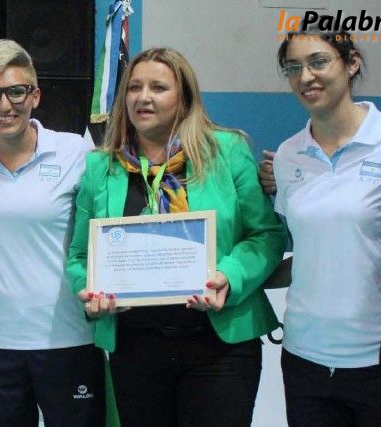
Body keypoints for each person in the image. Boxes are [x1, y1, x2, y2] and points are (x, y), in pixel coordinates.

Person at [66, 47, 287, 427]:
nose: (143, 97)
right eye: (134, 87)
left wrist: (229, 276)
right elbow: (79, 256)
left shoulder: (227, 151)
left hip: (219, 346)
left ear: (184, 98)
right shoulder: (101, 166)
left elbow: (266, 234)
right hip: (135, 348)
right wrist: (89, 291)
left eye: (158, 87)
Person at [271, 29, 381, 426]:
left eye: (318, 62)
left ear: (351, 64)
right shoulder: (288, 154)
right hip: (303, 358)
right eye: (293, 68)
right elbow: (309, 250)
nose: (305, 77)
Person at [0, 39, 106, 427]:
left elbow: (102, 230)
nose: (4, 105)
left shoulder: (75, 152)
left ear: (35, 96)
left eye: (16, 91)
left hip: (68, 336)